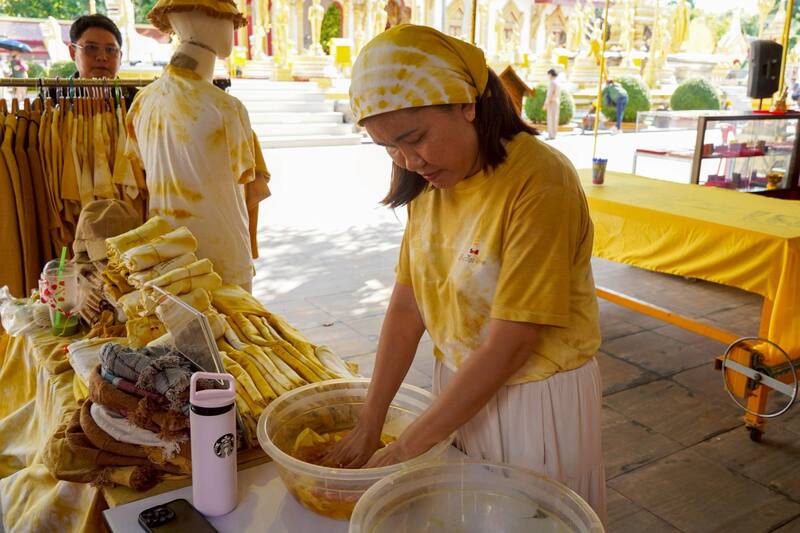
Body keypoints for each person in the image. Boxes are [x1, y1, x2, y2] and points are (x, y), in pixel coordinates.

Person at [328, 24, 606, 524]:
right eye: (388, 148)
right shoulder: (430, 181)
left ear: (466, 105)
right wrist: (371, 420)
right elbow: (408, 305)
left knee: (529, 522)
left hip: (533, 397)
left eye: (414, 138)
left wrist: (405, 447)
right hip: (458, 388)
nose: (408, 161)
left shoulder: (540, 180)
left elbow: (512, 344)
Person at [543, 68, 561, 140]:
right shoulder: (557, 82)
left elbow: (549, 95)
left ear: (550, 74)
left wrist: (546, 104)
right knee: (554, 119)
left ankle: (551, 135)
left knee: (551, 119)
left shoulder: (552, 83)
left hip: (552, 102)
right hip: (556, 101)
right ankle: (553, 134)